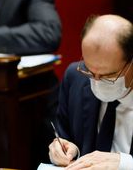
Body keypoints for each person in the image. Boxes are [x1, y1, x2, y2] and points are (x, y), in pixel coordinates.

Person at [48, 14, 133, 170]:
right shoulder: (75, 78)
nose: (96, 81)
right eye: (89, 70)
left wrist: (126, 164)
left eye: (108, 76)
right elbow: (65, 137)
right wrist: (66, 150)